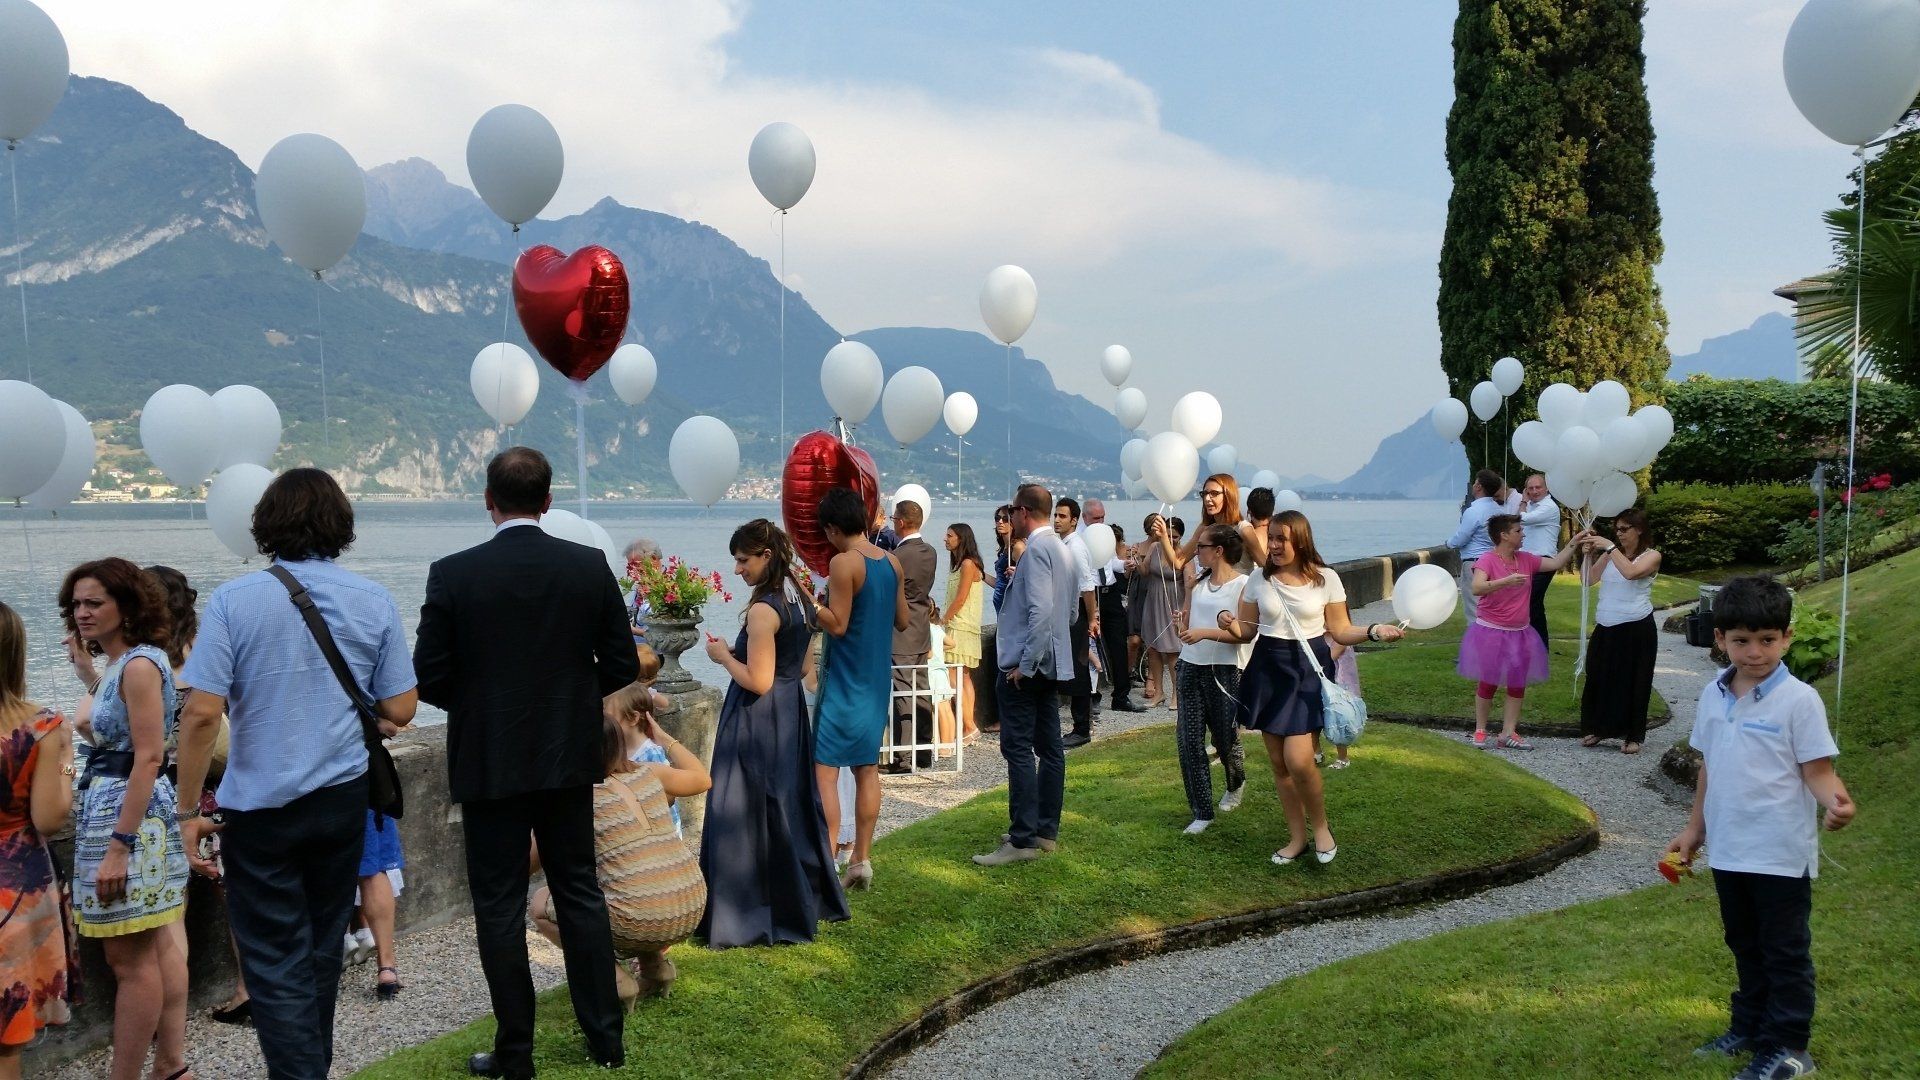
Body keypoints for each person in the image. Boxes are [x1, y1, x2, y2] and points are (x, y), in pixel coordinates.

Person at [173, 469, 416, 1080]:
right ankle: (312, 1067)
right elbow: (402, 708)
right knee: (319, 944)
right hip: (339, 800)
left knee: (272, 957)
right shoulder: (373, 599)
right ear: (341, 525)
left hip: (260, 806)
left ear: (266, 526)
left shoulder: (234, 601)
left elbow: (202, 713)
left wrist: (184, 810)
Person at [411, 449, 635, 1078]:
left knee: (500, 905)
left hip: (490, 759)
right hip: (567, 753)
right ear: (547, 500)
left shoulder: (453, 574)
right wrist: (565, 699)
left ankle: (516, 1053)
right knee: (579, 889)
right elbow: (620, 665)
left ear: (490, 500)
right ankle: (605, 1040)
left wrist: (483, 706)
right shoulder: (589, 567)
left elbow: (429, 677)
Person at [1667, 574, 1854, 1080]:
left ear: (1786, 638)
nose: (1754, 652)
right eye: (1742, 640)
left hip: (1778, 852)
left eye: (1767, 640)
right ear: (1720, 639)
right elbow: (1709, 767)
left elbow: (1817, 771)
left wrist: (1836, 803)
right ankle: (1749, 1027)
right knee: (1744, 944)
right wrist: (1694, 831)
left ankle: (1791, 1046)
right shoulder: (1713, 695)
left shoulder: (1799, 701)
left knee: (1784, 952)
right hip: (1729, 850)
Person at [63, 558, 191, 1080]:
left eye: (95, 602)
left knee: (128, 962)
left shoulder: (139, 665)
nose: (82, 613)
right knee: (153, 947)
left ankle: (127, 1076)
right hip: (123, 811)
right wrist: (87, 676)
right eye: (76, 604)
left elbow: (148, 756)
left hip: (127, 820)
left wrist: (119, 845)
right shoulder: (128, 663)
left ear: (128, 605)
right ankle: (169, 1067)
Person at [1219, 511, 1404, 866]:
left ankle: (1321, 828)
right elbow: (1244, 631)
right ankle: (1296, 837)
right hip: (1268, 669)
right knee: (1278, 763)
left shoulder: (1326, 580)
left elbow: (1340, 630)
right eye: (1270, 537)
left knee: (1299, 760)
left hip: (1306, 671)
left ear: (1300, 541)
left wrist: (1373, 630)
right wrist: (1223, 620)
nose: (1271, 545)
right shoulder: (1258, 579)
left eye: (1280, 539)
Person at [700, 518, 851, 938]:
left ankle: (746, 911)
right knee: (787, 805)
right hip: (789, 713)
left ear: (766, 556)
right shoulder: (800, 599)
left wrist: (723, 657)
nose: (738, 569)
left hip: (757, 716)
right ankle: (797, 897)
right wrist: (746, 652)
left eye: (743, 560)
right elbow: (802, 665)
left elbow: (758, 681)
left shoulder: (765, 609)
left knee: (743, 808)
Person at [535, 689, 709, 1008]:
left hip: (641, 918)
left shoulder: (573, 801)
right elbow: (702, 779)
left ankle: (614, 979)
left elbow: (525, 863)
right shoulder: (650, 773)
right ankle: (657, 968)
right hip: (691, 902)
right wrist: (663, 737)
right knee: (632, 882)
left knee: (542, 902)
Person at [809, 490, 908, 892]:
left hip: (845, 679)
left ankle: (826, 861)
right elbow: (902, 619)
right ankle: (861, 859)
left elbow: (837, 624)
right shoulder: (893, 562)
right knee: (866, 769)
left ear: (833, 529)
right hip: (875, 679)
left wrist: (809, 602)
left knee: (826, 773)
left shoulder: (842, 562)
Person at [973, 483, 1075, 867]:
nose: (1009, 517)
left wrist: (1025, 665)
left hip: (1026, 666)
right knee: (1049, 749)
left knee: (1017, 749)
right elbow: (1070, 613)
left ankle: (1022, 839)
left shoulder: (1035, 552)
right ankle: (1044, 830)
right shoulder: (1063, 550)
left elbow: (1041, 612)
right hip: (1050, 662)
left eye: (1013, 510)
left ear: (1023, 511)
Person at [0, 601, 78, 1080]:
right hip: (15, 890)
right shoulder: (43, 727)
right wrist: (68, 763)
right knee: (6, 1037)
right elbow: (49, 818)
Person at [1458, 515, 1588, 751]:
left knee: (1517, 683)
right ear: (1504, 535)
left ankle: (1508, 732)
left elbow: (1556, 563)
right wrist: (1506, 581)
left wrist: (1575, 542)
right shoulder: (1487, 560)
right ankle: (1480, 729)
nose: (1523, 534)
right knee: (1489, 681)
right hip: (1491, 632)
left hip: (1520, 633)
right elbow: (1476, 587)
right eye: (1518, 531)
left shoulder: (1526, 559)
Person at [1172, 525, 1250, 834]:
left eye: (1201, 547)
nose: (1196, 551)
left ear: (1218, 551)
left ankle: (1236, 782)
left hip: (1224, 670)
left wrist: (1204, 633)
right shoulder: (1197, 582)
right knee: (1189, 742)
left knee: (1224, 738)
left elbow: (1242, 636)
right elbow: (1187, 623)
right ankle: (1202, 811)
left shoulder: (1242, 586)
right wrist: (1181, 624)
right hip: (1190, 666)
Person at [1580, 508, 1663, 755]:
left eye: (1624, 529)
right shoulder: (1610, 555)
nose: (1620, 534)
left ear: (1639, 529)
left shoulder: (1651, 556)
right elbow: (1587, 580)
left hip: (1636, 625)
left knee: (1634, 681)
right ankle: (1598, 728)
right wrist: (1587, 556)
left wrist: (1609, 547)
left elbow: (1631, 573)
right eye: (1616, 530)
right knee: (1599, 676)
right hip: (1606, 623)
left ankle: (1633, 735)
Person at [886, 501, 938, 772]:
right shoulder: (930, 552)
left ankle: (904, 756)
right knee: (922, 690)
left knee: (903, 692)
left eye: (895, 519)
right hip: (921, 628)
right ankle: (924, 749)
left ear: (902, 522)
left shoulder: (897, 557)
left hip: (901, 632)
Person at [1054, 497, 1099, 748]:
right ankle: (1079, 725)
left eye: (1062, 516)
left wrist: (1091, 618)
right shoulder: (1064, 544)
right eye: (1056, 515)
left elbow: (1087, 586)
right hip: (1067, 611)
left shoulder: (1075, 547)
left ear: (1074, 520)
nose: (1057, 520)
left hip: (1077, 612)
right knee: (1071, 666)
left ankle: (1082, 728)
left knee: (1079, 668)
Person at [936, 523, 986, 742]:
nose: (945, 539)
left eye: (950, 536)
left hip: (960, 627)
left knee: (956, 678)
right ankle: (968, 725)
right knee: (963, 677)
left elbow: (961, 597)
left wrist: (943, 619)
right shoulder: (960, 565)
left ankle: (968, 725)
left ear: (961, 539)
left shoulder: (967, 564)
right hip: (961, 626)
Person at [1161, 474, 1264, 572]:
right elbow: (1177, 563)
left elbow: (1265, 567)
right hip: (1213, 589)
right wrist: (1163, 536)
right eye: (1205, 493)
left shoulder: (1243, 529)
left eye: (1214, 494)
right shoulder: (1204, 529)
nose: (1207, 499)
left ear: (1229, 495)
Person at [1139, 514, 1188, 710]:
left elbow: (1188, 579)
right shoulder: (1154, 547)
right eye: (1167, 535)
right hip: (1152, 600)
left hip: (1173, 603)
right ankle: (1159, 692)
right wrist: (1135, 559)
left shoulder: (1183, 554)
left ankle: (1177, 694)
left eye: (1174, 536)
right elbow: (1144, 571)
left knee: (1173, 651)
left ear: (1180, 537)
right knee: (1153, 649)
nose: (1170, 539)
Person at [1447, 469, 1510, 619]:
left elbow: (1462, 537)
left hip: (1475, 562)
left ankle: (1478, 639)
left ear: (1478, 486)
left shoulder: (1474, 511)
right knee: (1494, 606)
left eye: (1475, 482)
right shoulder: (1499, 510)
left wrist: (1449, 543)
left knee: (1474, 607)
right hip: (1496, 562)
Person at [1096, 523, 1142, 714]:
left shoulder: (1106, 537)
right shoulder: (1082, 538)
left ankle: (1121, 696)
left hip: (1111, 594)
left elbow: (1111, 562)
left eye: (1102, 516)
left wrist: (1124, 564)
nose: (1101, 520)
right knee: (1091, 647)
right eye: (1097, 517)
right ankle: (1091, 696)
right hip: (1093, 593)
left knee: (1119, 646)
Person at [1516, 474, 1562, 646]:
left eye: (1538, 487)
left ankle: (1538, 646)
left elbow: (1522, 520)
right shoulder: (1532, 506)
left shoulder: (1549, 506)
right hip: (1528, 561)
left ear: (1547, 488)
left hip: (1544, 561)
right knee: (1532, 605)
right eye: (1530, 488)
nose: (1534, 491)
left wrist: (1522, 502)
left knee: (1530, 603)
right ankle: (1536, 645)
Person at [623, 536, 662, 644]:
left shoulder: (665, 589)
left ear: (653, 559)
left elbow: (661, 632)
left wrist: (634, 631)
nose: (632, 569)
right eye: (629, 565)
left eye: (636, 564)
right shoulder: (640, 585)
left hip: (653, 655)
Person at [990, 504, 1023, 615]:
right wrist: (981, 574)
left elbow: (1026, 580)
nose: (1000, 522)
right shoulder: (1004, 548)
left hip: (1011, 609)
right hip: (1001, 608)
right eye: (997, 518)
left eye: (1005, 519)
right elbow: (1001, 583)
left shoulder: (1018, 547)